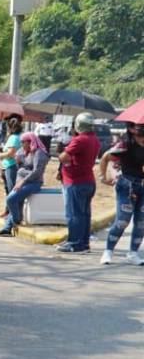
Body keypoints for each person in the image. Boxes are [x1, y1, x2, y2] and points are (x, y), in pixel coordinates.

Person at [99, 123, 144, 265]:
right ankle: (108, 251)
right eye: (140, 127)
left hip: (142, 186)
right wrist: (103, 177)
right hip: (127, 186)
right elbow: (106, 157)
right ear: (131, 129)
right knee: (123, 221)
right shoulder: (125, 144)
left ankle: (133, 253)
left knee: (141, 223)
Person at [56, 112, 100, 254]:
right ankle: (83, 243)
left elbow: (63, 157)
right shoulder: (95, 139)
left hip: (75, 182)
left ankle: (75, 243)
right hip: (88, 181)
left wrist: (62, 150)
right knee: (84, 214)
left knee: (74, 214)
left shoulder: (79, 140)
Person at [0, 132, 49, 237]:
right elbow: (19, 165)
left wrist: (23, 180)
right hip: (21, 181)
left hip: (34, 182)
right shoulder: (24, 152)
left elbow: (37, 171)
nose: (22, 144)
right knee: (16, 201)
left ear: (30, 142)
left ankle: (16, 219)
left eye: (23, 142)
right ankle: (7, 228)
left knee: (11, 199)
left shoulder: (39, 153)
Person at [0, 117, 22, 205]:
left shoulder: (13, 138)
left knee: (11, 190)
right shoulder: (17, 137)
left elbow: (11, 153)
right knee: (9, 189)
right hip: (9, 165)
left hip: (10, 166)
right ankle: (8, 209)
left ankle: (11, 210)